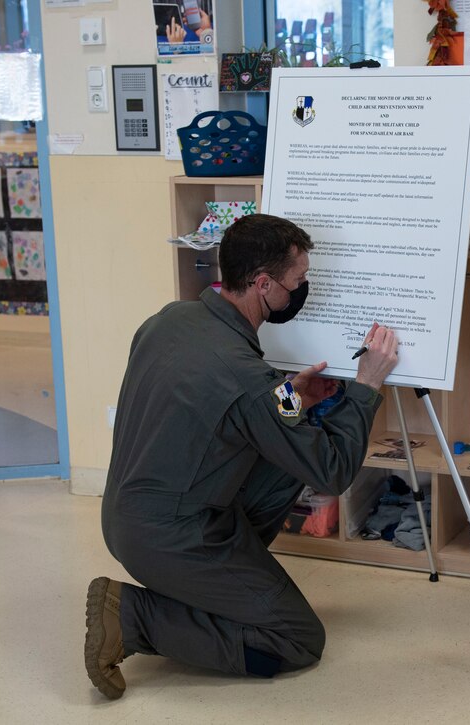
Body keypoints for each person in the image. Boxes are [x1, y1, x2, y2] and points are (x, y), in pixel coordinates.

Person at [85, 213, 399, 699]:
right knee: (297, 639)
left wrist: (291, 398)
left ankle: (224, 583)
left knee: (286, 455)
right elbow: (332, 472)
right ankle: (133, 617)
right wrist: (367, 385)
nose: (302, 289)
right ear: (263, 284)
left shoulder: (168, 319)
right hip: (170, 537)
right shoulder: (248, 379)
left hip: (127, 515)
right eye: (298, 281)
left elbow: (221, 410)